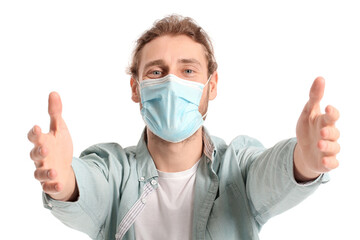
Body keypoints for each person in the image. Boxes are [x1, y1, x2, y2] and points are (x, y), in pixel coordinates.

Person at [27, 15, 340, 240]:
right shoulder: (114, 171)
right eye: (156, 72)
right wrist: (63, 177)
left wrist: (304, 161)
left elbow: (272, 175)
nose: (171, 84)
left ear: (211, 85)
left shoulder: (237, 170)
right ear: (135, 89)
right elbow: (86, 188)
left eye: (188, 70)